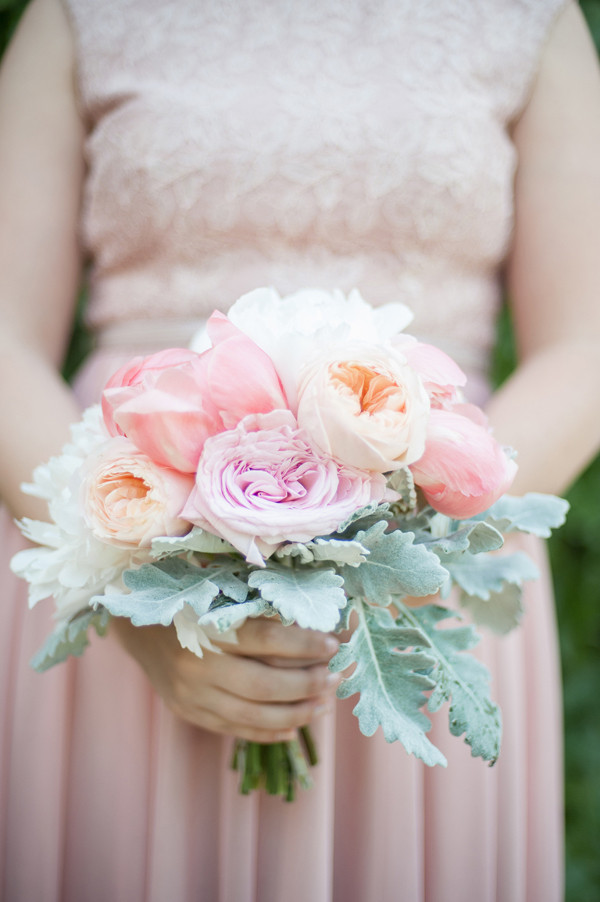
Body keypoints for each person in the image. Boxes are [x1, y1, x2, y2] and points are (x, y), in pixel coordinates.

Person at [1, 0, 599, 899]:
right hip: (129, 538)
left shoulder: (530, 15)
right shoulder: (76, 12)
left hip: (426, 579)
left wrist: (401, 549)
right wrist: (133, 597)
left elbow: (586, 342)